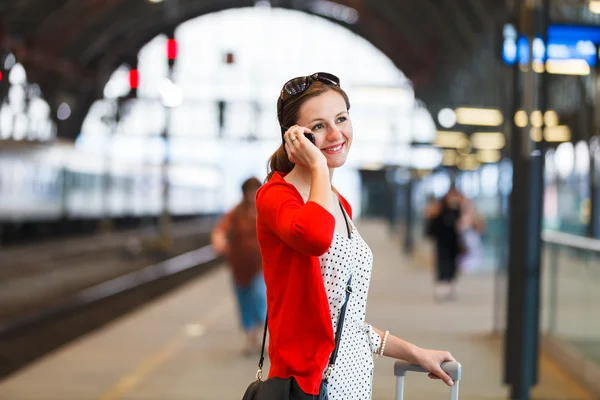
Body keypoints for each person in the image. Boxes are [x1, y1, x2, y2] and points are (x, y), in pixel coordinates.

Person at [255, 72, 456, 399]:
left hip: (352, 381)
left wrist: (416, 353)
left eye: (341, 119)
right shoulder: (277, 196)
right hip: (310, 387)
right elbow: (315, 238)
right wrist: (319, 167)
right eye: (318, 126)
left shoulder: (339, 202)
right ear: (294, 137)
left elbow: (347, 324)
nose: (336, 133)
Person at [211, 177, 266, 355]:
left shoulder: (265, 210)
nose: (251, 195)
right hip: (239, 266)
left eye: (254, 191)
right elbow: (221, 229)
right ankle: (250, 338)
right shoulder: (236, 212)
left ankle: (259, 336)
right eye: (248, 192)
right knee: (244, 302)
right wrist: (218, 239)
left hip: (260, 266)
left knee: (259, 297)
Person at [424, 184, 467, 302]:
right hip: (442, 241)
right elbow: (432, 226)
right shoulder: (439, 210)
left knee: (452, 264)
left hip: (453, 242)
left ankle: (448, 286)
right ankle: (441, 286)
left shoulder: (457, 210)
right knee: (443, 262)